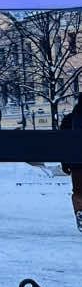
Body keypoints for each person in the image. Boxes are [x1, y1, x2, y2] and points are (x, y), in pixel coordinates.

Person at [61, 98, 82, 232]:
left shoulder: (69, 119)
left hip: (76, 163)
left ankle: (80, 211)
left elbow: (63, 143)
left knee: (78, 191)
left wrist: (64, 162)